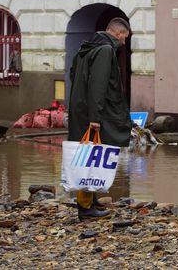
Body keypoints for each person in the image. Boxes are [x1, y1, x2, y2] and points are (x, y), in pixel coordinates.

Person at [68, 18, 133, 220]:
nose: (124, 43)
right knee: (91, 157)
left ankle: (90, 199)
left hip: (80, 109)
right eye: (125, 39)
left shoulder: (86, 48)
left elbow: (73, 75)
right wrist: (95, 117)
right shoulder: (105, 51)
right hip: (94, 114)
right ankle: (85, 207)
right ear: (120, 34)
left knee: (89, 153)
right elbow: (99, 84)